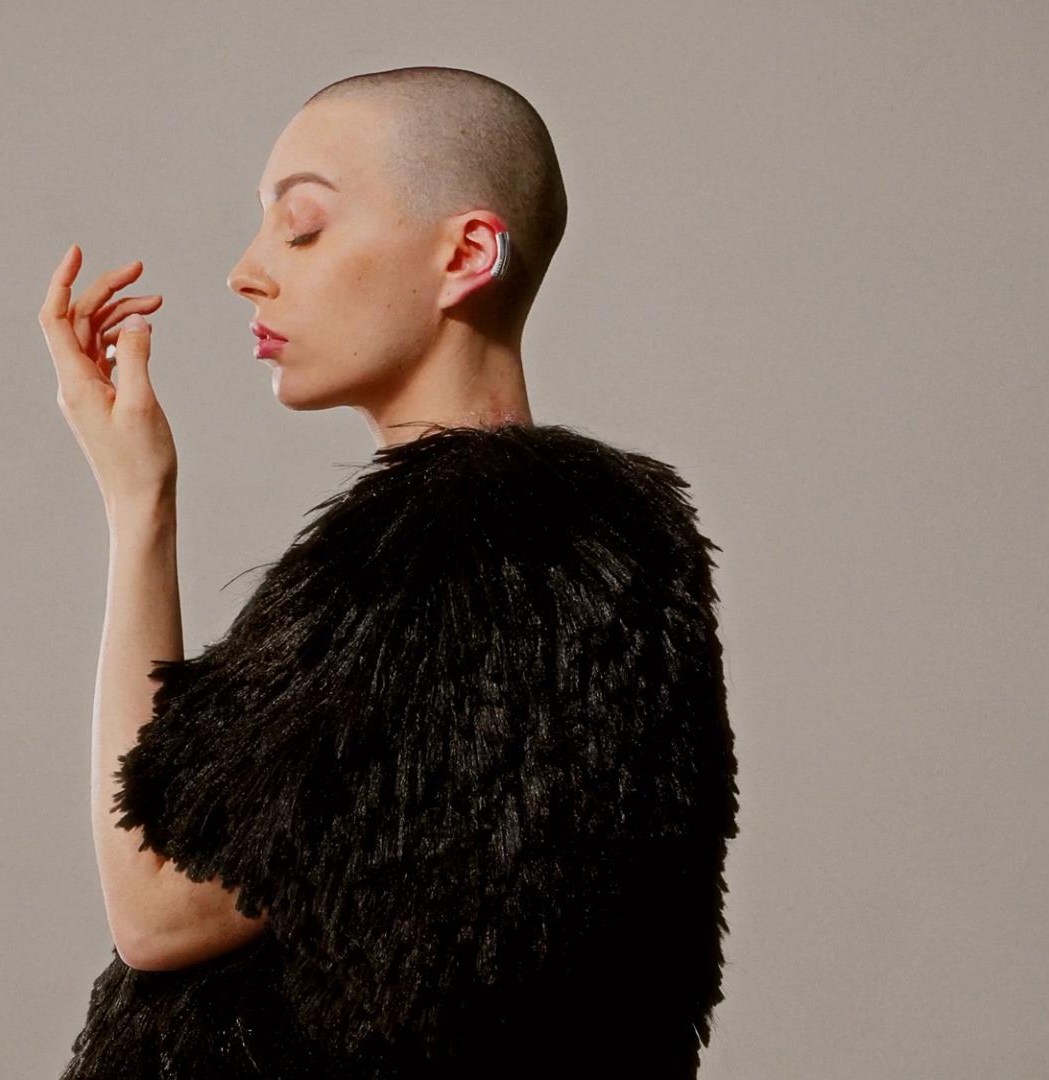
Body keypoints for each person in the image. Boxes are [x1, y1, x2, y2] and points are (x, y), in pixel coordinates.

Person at [38, 66, 739, 1079]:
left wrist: (136, 506)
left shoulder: (472, 554)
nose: (247, 271)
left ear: (467, 254)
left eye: (303, 227)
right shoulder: (563, 552)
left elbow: (157, 909)